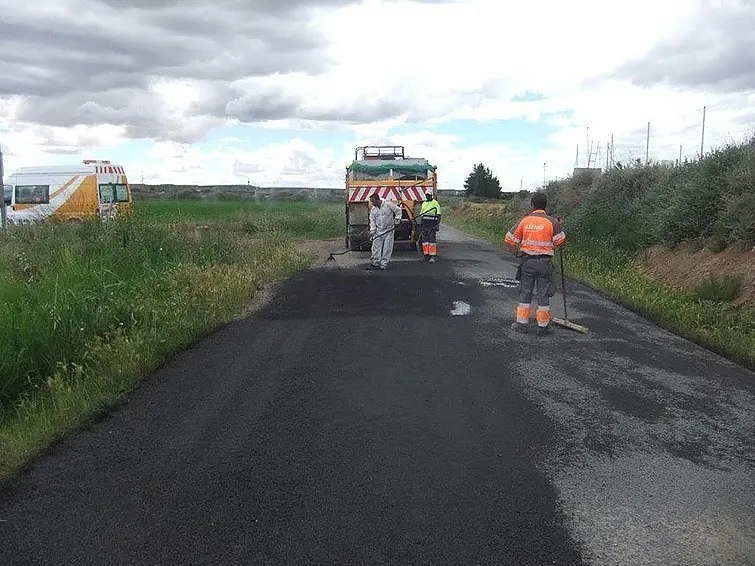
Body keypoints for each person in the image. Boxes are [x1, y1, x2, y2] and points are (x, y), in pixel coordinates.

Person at [504, 192, 566, 335]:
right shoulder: (552, 222)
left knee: (525, 293)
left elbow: (509, 238)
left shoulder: (524, 221)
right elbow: (560, 242)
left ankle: (521, 325)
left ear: (532, 205)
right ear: (546, 206)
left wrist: (516, 253)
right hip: (545, 263)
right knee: (543, 294)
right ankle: (543, 326)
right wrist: (560, 227)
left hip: (527, 262)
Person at [368, 192, 402, 270]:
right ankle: (375, 262)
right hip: (378, 230)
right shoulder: (373, 210)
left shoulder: (388, 204)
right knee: (376, 247)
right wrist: (372, 230)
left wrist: (397, 219)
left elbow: (398, 210)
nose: (372, 203)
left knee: (387, 247)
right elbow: (372, 220)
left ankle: (384, 264)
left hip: (389, 230)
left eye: (373, 201)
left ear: (378, 200)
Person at [419, 191, 441, 262]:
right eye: (426, 195)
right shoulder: (424, 203)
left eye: (428, 195)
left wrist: (437, 225)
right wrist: (421, 225)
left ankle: (432, 256)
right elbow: (422, 215)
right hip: (425, 224)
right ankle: (426, 256)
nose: (427, 196)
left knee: (432, 241)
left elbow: (438, 215)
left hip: (432, 225)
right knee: (424, 241)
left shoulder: (435, 203)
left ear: (431, 195)